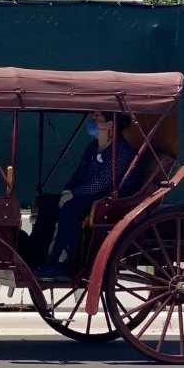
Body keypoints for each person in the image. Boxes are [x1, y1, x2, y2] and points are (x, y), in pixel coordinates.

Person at [34, 111, 141, 278]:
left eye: (97, 117)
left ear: (111, 125)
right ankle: (38, 255)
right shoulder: (92, 147)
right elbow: (79, 174)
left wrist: (74, 195)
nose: (92, 120)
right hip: (86, 196)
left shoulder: (122, 152)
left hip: (108, 201)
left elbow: (102, 183)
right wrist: (67, 190)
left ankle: (63, 263)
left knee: (71, 209)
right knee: (46, 203)